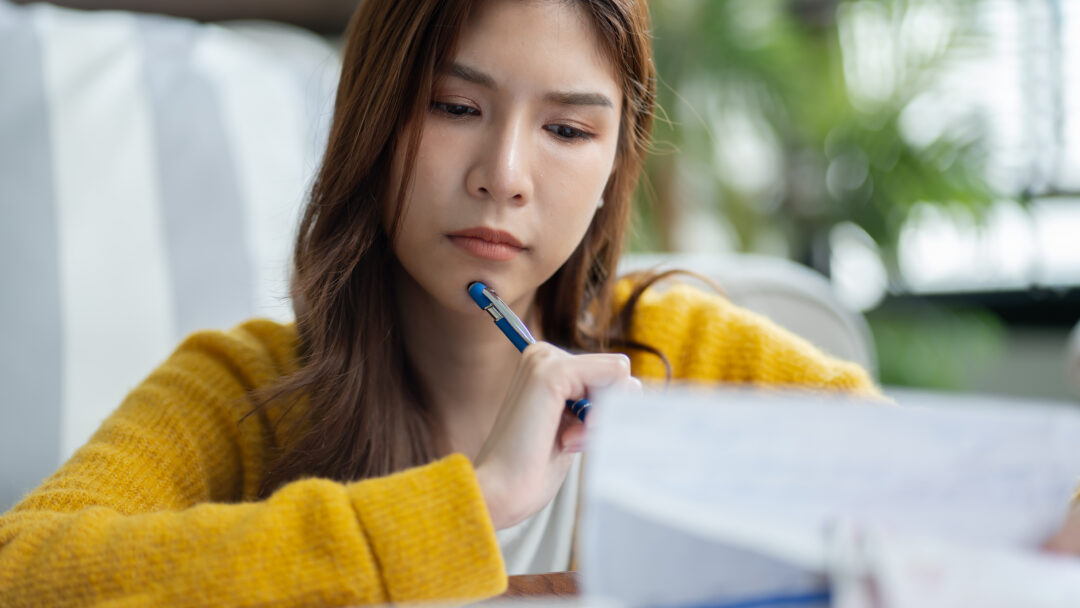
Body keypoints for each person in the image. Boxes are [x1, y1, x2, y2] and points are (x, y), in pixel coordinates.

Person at [0, 0, 886, 606]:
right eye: (454, 105)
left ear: (619, 159)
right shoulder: (243, 392)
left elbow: (958, 524)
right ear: (373, 117)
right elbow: (22, 575)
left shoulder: (688, 356)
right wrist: (471, 505)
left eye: (568, 130)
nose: (502, 177)